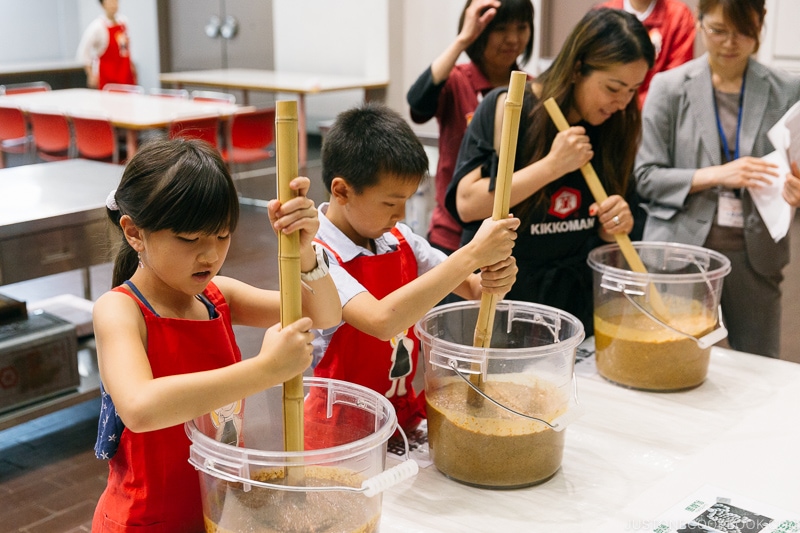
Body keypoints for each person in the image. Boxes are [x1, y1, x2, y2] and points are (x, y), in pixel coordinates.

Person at [91, 138, 341, 531]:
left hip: (218, 511)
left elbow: (324, 312)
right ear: (134, 232)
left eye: (222, 236)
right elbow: (140, 408)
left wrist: (306, 249)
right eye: (190, 240)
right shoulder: (120, 310)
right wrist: (265, 369)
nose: (209, 255)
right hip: (147, 521)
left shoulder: (218, 297)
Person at [446, 7, 655, 334]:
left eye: (633, 90)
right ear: (577, 69)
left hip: (572, 306)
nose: (623, 102)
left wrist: (616, 223)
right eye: (613, 88)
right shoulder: (511, 106)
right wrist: (552, 166)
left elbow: (616, 222)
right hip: (501, 299)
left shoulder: (617, 126)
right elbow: (468, 204)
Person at [312, 103, 519, 432]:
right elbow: (380, 321)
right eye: (391, 203)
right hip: (340, 430)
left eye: (408, 200)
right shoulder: (314, 256)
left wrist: (496, 278)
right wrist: (473, 252)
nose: (402, 215)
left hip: (397, 417)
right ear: (342, 191)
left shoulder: (399, 239)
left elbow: (473, 289)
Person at [635, 0, 800, 358]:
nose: (729, 43)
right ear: (699, 23)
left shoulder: (787, 89)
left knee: (760, 368)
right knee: (674, 359)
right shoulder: (668, 87)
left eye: (743, 32)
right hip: (679, 249)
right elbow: (646, 178)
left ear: (760, 25)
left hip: (755, 250)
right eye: (718, 30)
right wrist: (716, 175)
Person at [407, 0, 535, 255]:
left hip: (508, 237)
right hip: (452, 237)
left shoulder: (532, 89)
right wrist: (463, 39)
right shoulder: (456, 79)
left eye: (521, 27)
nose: (512, 39)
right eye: (501, 29)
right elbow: (417, 104)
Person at [598, 0, 696, 106]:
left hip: (657, 111)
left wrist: (633, 111)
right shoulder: (603, 14)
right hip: (608, 109)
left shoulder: (679, 16)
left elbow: (675, 82)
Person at [77, 0, 137, 89]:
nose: (113, 4)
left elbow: (124, 50)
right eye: (110, 2)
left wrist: (131, 66)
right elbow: (83, 51)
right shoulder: (97, 27)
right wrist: (90, 74)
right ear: (103, 4)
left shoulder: (124, 22)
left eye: (115, 1)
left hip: (126, 75)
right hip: (108, 78)